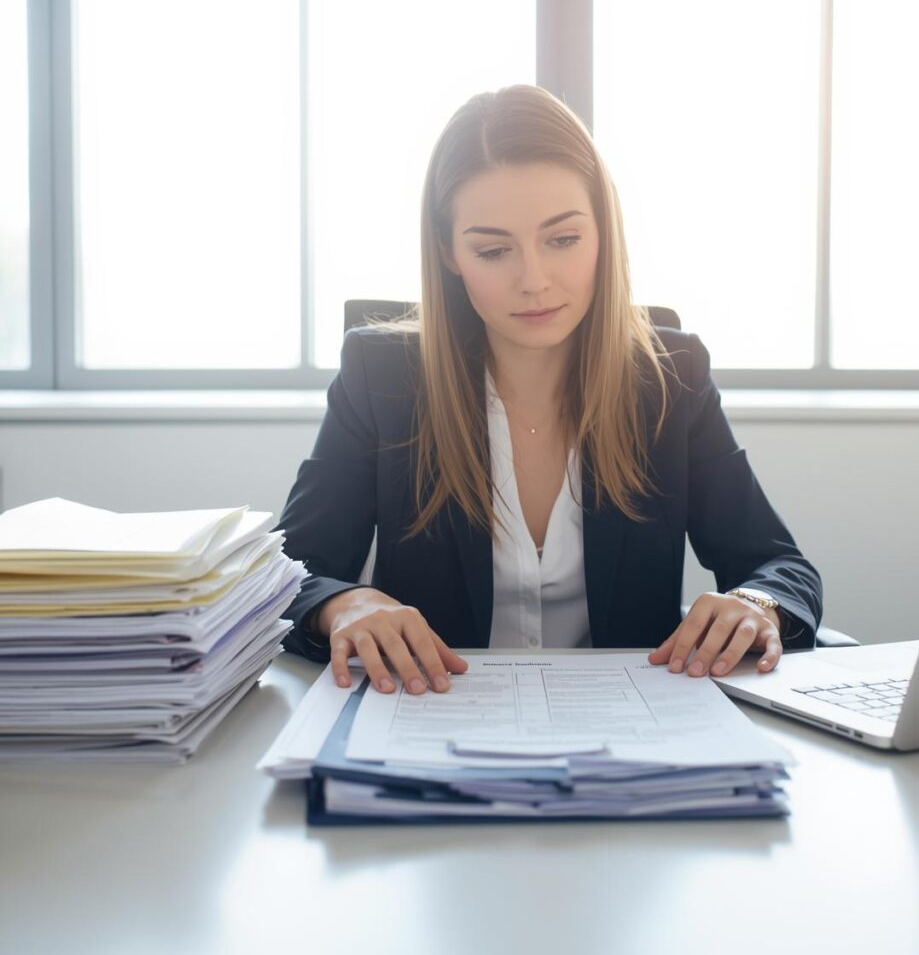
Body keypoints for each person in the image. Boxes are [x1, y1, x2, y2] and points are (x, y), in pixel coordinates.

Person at [274, 83, 822, 697]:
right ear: (450, 253)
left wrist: (755, 603)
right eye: (492, 249)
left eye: (563, 240)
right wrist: (344, 605)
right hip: (434, 717)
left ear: (603, 234)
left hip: (632, 727)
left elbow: (779, 568)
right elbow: (289, 574)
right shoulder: (382, 376)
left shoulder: (671, 374)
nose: (533, 280)